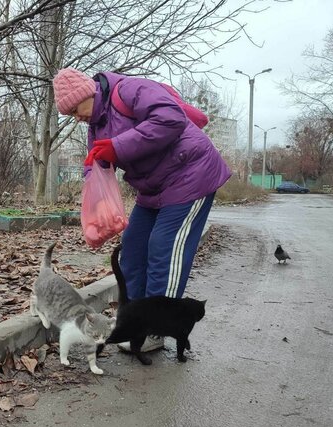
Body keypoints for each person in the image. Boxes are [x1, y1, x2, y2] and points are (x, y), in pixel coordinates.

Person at [52, 67, 231, 351]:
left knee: (164, 247)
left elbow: (170, 118)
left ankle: (157, 328)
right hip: (153, 188)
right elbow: (94, 162)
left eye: (75, 108)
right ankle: (133, 321)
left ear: (88, 93)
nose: (76, 117)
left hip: (191, 174)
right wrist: (96, 201)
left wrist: (117, 147)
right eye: (69, 114)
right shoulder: (96, 125)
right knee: (133, 247)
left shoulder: (130, 90)